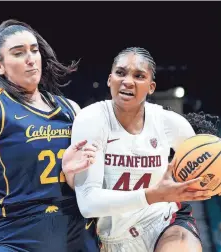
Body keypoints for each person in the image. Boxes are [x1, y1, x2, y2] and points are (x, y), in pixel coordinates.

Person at [0, 19, 100, 252]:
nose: (31, 58)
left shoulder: (71, 108)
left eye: (34, 50)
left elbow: (92, 180)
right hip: (16, 238)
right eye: (18, 53)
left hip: (76, 236)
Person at [63, 47, 216, 252]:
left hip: (164, 221)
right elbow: (88, 204)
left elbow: (207, 166)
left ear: (151, 87)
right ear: (110, 80)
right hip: (111, 237)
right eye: (121, 73)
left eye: (139, 76)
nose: (127, 81)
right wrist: (154, 194)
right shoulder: (91, 120)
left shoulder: (169, 123)